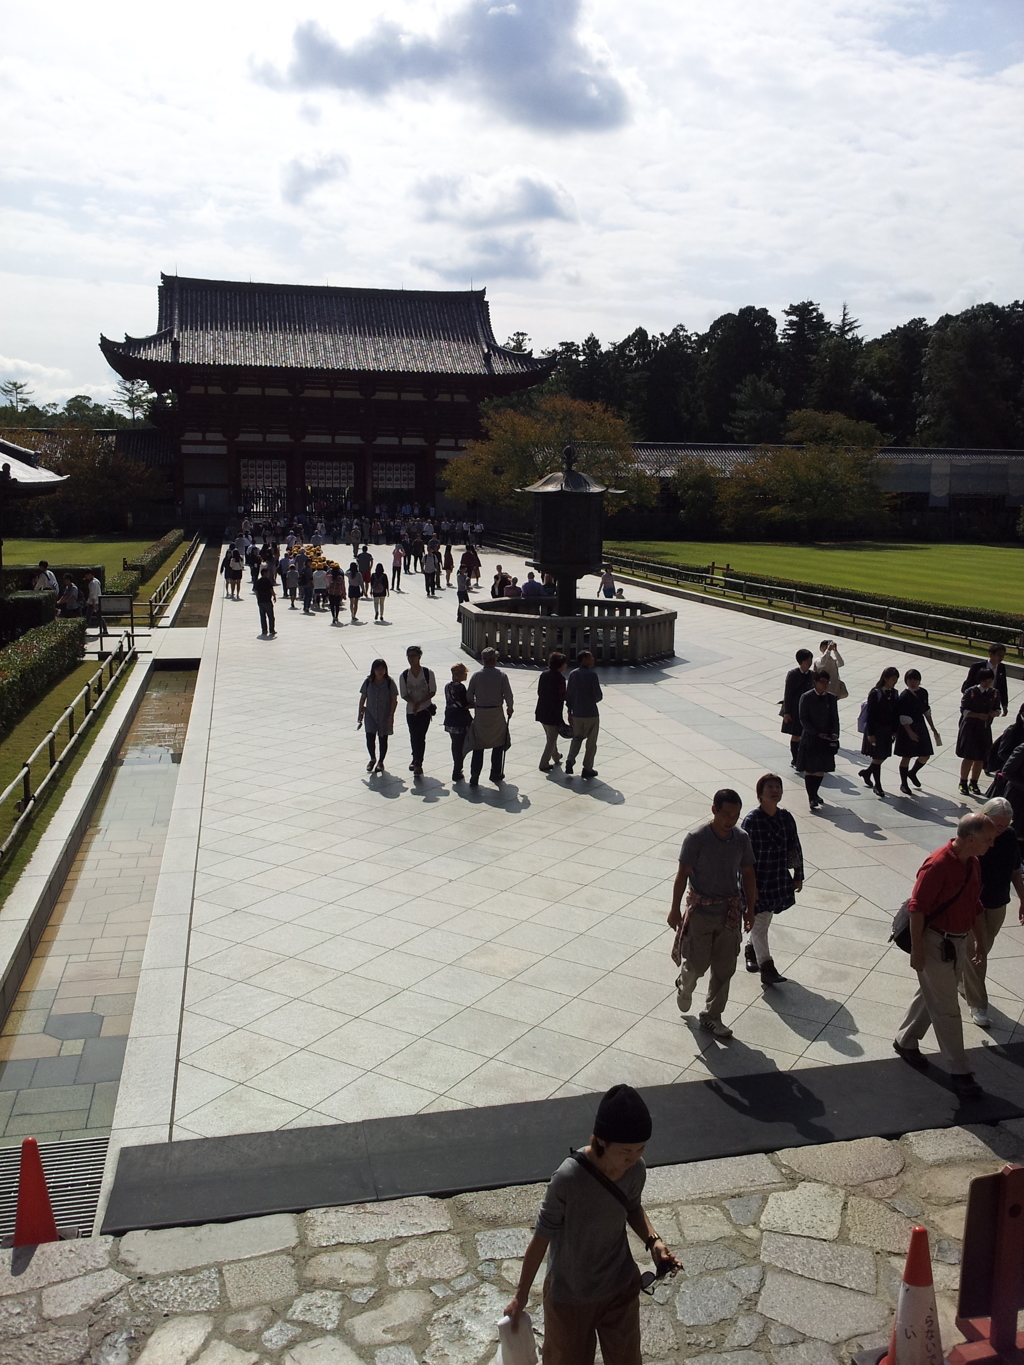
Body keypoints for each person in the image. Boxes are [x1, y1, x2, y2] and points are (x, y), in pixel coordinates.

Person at [504, 1084, 679, 1365]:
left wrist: (653, 1241)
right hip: (571, 1295)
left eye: (640, 1148)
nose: (632, 1158)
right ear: (601, 1141)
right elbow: (541, 1239)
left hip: (619, 1285)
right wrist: (521, 1296)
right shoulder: (568, 1178)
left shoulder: (636, 1170)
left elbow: (632, 1206)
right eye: (625, 1150)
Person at [893, 812, 997, 1099]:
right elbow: (917, 909)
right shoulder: (937, 864)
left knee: (935, 994)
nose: (992, 844)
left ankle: (906, 1040)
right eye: (988, 839)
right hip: (934, 941)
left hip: (959, 941)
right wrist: (917, 949)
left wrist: (980, 942)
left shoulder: (973, 863)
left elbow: (975, 904)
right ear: (971, 839)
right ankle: (960, 1070)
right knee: (948, 1007)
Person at [668, 789, 757, 1039]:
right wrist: (674, 908)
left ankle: (712, 1015)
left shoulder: (741, 838)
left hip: (730, 911)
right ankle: (685, 982)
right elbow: (682, 874)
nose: (730, 820)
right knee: (698, 963)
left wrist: (750, 909)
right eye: (726, 814)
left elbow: (748, 874)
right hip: (701, 911)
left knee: (724, 967)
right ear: (714, 810)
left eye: (735, 815)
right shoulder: (696, 838)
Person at [960, 797, 1024, 1027]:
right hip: (972, 902)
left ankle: (962, 980)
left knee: (981, 948)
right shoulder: (972, 835)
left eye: (1004, 825)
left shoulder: (1009, 837)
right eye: (996, 825)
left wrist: (1023, 899)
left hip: (998, 903)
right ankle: (978, 1005)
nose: (999, 830)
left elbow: (1016, 870)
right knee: (979, 953)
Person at [742, 774, 803, 987]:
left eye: (778, 787)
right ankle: (767, 967)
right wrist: (750, 886)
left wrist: (798, 874)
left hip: (777, 877)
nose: (775, 790)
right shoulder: (752, 820)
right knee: (760, 922)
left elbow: (794, 846)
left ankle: (751, 948)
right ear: (760, 793)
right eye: (770, 787)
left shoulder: (785, 817)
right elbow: (745, 857)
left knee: (764, 920)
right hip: (758, 880)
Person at [465, 647, 514, 786]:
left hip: (481, 713)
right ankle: (495, 773)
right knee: (498, 743)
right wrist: (510, 707)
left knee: (478, 745)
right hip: (496, 712)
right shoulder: (501, 675)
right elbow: (508, 695)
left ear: (483, 660)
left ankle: (475, 775)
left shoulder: (476, 676)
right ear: (495, 660)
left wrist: (476, 703)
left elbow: (469, 695)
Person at [796, 670, 839, 809]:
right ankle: (811, 797)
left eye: (827, 682)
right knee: (810, 769)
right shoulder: (806, 697)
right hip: (811, 738)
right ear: (815, 682)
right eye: (822, 682)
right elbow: (803, 718)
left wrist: (834, 733)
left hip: (825, 739)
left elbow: (835, 718)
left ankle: (815, 793)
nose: (825, 685)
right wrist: (815, 732)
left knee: (821, 769)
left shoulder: (831, 698)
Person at [894, 669, 942, 795]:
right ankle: (903, 783)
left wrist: (933, 728)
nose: (913, 682)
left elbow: (926, 711)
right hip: (908, 728)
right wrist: (909, 732)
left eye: (915, 679)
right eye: (910, 679)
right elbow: (902, 716)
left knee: (925, 754)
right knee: (907, 756)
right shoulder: (904, 696)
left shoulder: (923, 693)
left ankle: (913, 772)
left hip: (920, 725)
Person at [858, 666, 901, 797]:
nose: (894, 682)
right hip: (876, 729)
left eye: (896, 679)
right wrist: (870, 733)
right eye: (893, 679)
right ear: (885, 678)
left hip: (887, 729)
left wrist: (895, 729)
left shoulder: (894, 693)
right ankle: (878, 785)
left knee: (883, 756)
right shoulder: (875, 693)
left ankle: (867, 772)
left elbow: (895, 713)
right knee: (877, 757)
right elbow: (870, 714)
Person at [958, 667, 1001, 796]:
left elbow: (998, 709)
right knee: (969, 757)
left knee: (981, 758)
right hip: (970, 729)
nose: (987, 684)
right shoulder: (971, 692)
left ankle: (974, 782)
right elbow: (964, 710)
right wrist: (977, 715)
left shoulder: (994, 693)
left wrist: (995, 713)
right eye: (985, 681)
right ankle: (963, 782)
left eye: (990, 681)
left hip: (985, 728)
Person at [399, 645, 436, 778]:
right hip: (411, 710)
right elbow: (404, 694)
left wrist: (420, 703)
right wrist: (413, 703)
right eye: (409, 656)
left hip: (425, 709)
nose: (411, 659)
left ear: (419, 656)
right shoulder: (404, 675)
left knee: (421, 736)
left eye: (413, 656)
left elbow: (432, 690)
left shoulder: (427, 673)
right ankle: (415, 758)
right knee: (413, 735)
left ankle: (418, 762)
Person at [565, 651, 602, 779]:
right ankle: (587, 768)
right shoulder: (592, 675)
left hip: (577, 713)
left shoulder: (572, 674)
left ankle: (570, 759)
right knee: (591, 741)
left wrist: (570, 711)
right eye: (591, 657)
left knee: (577, 737)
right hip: (591, 712)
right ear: (584, 659)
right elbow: (598, 695)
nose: (593, 659)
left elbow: (568, 695)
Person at [358, 659, 399, 774]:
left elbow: (394, 700)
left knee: (383, 738)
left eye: (382, 669)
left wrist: (391, 715)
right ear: (373, 670)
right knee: (370, 737)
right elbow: (363, 697)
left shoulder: (390, 682)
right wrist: (360, 712)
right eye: (378, 669)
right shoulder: (368, 682)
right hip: (370, 714)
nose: (380, 671)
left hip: (384, 715)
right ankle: (372, 758)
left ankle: (381, 761)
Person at [781, 649, 815, 769]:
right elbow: (788, 694)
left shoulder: (812, 675)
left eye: (811, 659)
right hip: (795, 709)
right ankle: (795, 759)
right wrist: (787, 712)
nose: (810, 662)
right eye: (808, 660)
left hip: (807, 710)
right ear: (801, 661)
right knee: (796, 735)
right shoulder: (793, 674)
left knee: (805, 735)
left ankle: (803, 758)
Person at [536, 652, 568, 772]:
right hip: (553, 712)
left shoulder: (544, 674)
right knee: (552, 738)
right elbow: (562, 696)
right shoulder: (560, 679)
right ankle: (543, 763)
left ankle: (556, 756)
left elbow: (539, 692)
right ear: (561, 666)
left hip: (541, 709)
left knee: (550, 736)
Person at [444, 662, 473, 782]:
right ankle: (457, 769)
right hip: (460, 720)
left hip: (450, 718)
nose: (466, 675)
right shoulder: (460, 687)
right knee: (460, 745)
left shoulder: (447, 686)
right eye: (465, 673)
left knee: (455, 744)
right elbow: (464, 704)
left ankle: (457, 768)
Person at [963, 643, 1009, 718]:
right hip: (975, 702)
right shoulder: (977, 667)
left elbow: (1003, 687)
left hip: (990, 701)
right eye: (999, 655)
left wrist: (1004, 705)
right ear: (991, 654)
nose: (1001, 658)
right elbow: (967, 685)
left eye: (1003, 655)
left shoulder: (1001, 668)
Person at [255, 566, 276, 637]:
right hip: (267, 600)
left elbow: (256, 591)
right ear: (264, 573)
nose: (269, 574)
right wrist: (274, 596)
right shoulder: (267, 581)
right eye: (268, 573)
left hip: (261, 601)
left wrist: (258, 599)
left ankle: (264, 630)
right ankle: (272, 630)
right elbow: (271, 589)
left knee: (262, 616)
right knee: (270, 616)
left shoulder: (258, 581)